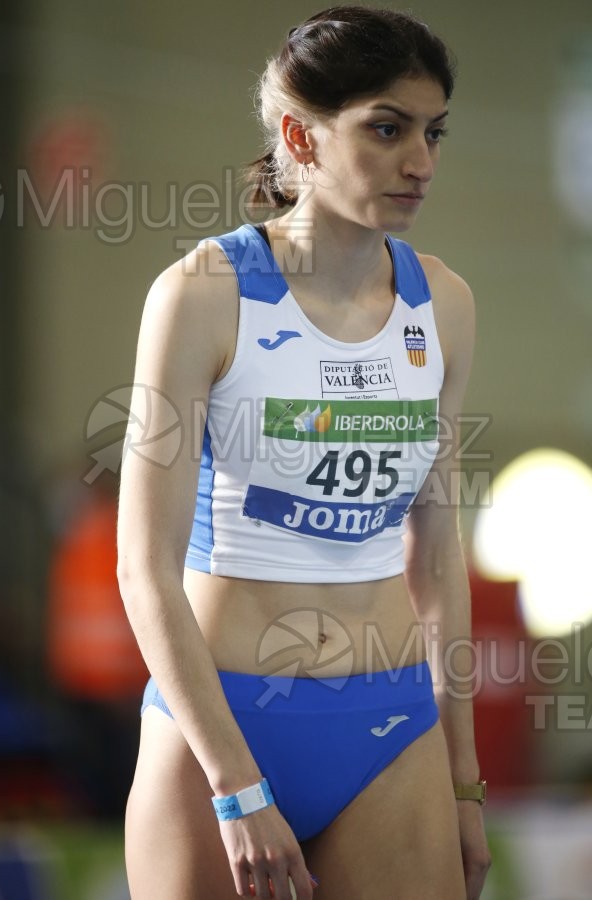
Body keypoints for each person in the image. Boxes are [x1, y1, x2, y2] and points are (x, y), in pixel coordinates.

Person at [117, 6, 492, 899]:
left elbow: (436, 551)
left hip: (390, 726)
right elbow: (143, 567)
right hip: (224, 722)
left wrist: (465, 778)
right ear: (300, 135)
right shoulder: (202, 295)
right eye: (387, 128)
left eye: (433, 132)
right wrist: (236, 786)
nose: (422, 161)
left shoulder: (443, 305)